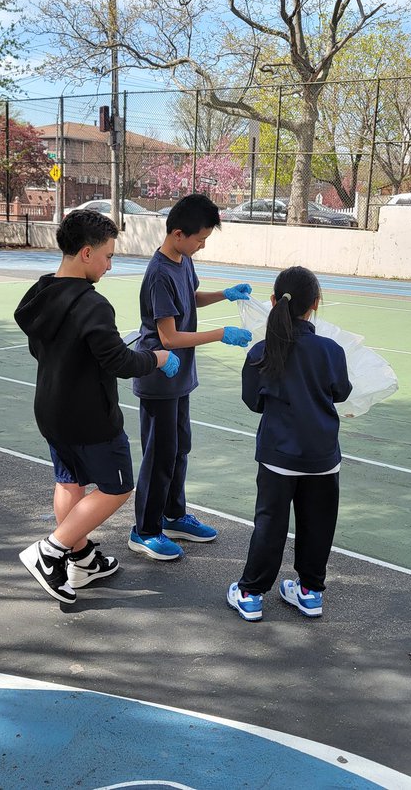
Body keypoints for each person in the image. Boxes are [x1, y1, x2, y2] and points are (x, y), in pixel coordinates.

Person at [14, 209, 180, 603]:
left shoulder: (40, 292)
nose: (110, 264)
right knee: (118, 487)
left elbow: (42, 347)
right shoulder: (93, 305)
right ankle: (51, 551)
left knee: (69, 480)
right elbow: (120, 363)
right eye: (107, 255)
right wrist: (157, 358)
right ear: (86, 253)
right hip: (89, 415)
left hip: (50, 408)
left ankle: (82, 558)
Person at [129, 193, 254, 560]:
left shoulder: (182, 262)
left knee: (179, 448)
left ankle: (173, 515)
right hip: (160, 377)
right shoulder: (158, 274)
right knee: (159, 455)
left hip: (180, 377)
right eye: (200, 239)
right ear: (179, 233)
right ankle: (145, 529)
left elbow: (191, 298)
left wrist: (225, 295)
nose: (201, 246)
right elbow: (168, 337)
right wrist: (219, 334)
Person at [227, 266, 352, 622]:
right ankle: (311, 592)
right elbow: (341, 392)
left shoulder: (261, 352)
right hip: (322, 457)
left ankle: (251, 594)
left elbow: (253, 401)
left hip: (278, 455)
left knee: (270, 524)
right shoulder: (330, 350)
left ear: (273, 301)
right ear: (314, 304)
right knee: (318, 523)